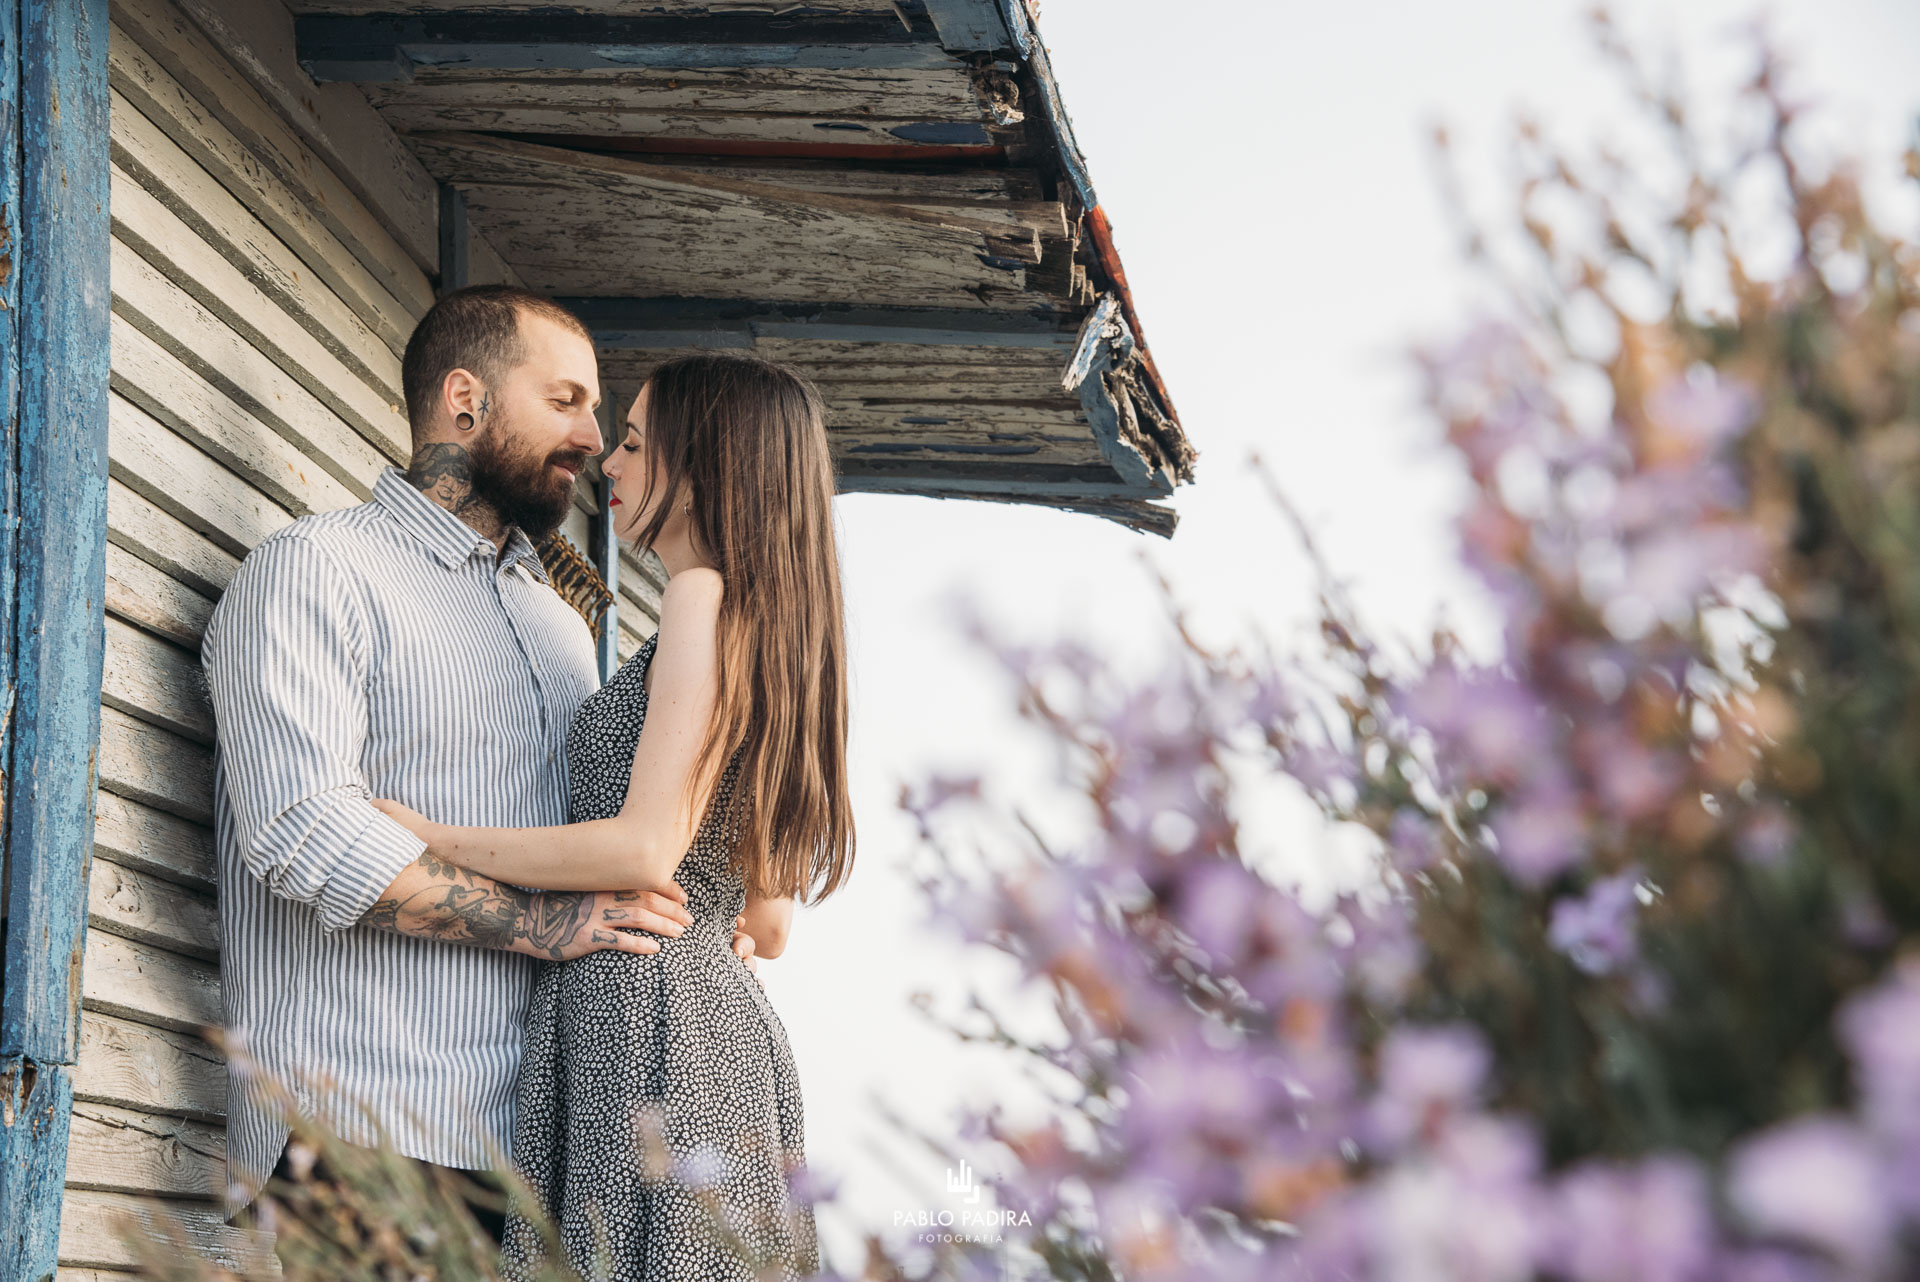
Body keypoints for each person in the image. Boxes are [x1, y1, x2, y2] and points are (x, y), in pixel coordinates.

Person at [202, 286, 758, 1237]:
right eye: (567, 401)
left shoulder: (558, 625)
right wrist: (547, 927)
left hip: (532, 1141)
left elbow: (611, 827)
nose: (593, 438)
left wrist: (711, 920)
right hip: (364, 1128)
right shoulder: (317, 570)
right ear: (465, 401)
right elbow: (301, 832)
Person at [373, 352, 856, 1280]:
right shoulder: (782, 631)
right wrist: (704, 934)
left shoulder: (700, 596)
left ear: (705, 464)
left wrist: (425, 835)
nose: (610, 464)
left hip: (642, 1018)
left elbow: (642, 846)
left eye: (634, 442)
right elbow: (768, 924)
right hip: (716, 1032)